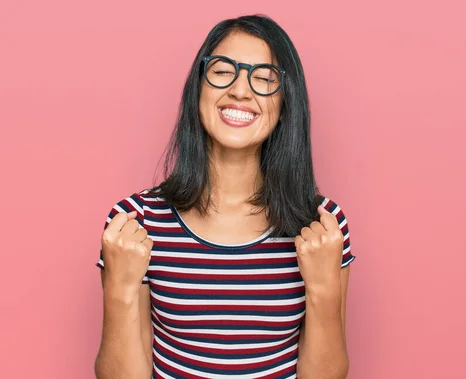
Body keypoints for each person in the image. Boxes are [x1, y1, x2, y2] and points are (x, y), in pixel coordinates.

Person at [94, 14, 356, 379]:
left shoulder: (322, 225)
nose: (240, 90)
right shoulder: (135, 222)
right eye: (222, 71)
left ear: (284, 106)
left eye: (264, 78)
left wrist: (324, 290)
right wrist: (120, 292)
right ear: (197, 88)